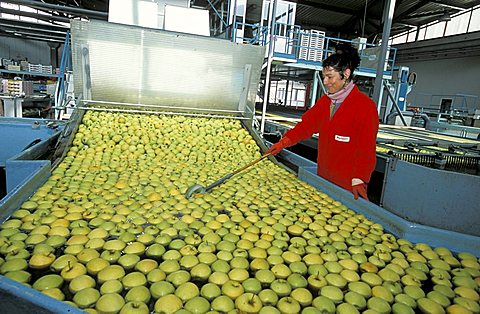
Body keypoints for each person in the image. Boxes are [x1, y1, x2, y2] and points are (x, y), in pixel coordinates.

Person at [264, 43, 379, 200]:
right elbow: (306, 126)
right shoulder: (325, 102)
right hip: (324, 177)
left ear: (346, 74)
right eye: (324, 76)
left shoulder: (364, 106)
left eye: (330, 77)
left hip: (349, 184)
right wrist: (284, 142)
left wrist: (360, 178)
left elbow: (367, 148)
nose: (325, 82)